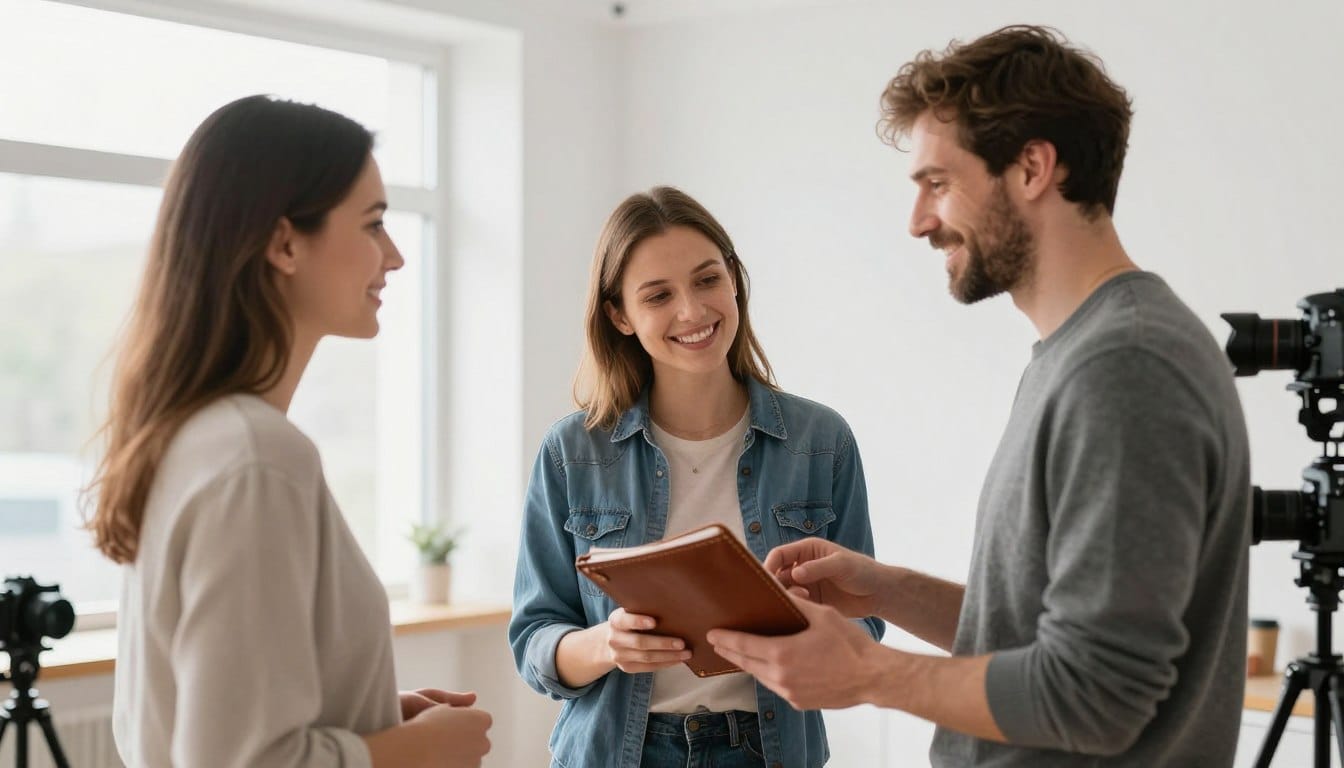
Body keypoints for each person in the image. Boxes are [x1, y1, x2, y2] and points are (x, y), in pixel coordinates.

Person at [707, 25, 1252, 767]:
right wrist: (888, 591)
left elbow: (1097, 693)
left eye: (938, 182)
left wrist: (868, 674)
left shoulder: (1124, 367)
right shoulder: (1085, 354)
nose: (919, 221)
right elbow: (1050, 639)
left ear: (1032, 167)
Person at [85, 95, 492, 768]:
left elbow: (206, 719)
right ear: (283, 243)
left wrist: (372, 723)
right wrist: (407, 755)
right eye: (373, 224)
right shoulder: (257, 457)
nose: (393, 257)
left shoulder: (197, 438)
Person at [509, 186, 884, 767]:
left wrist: (808, 629)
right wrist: (608, 644)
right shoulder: (573, 451)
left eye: (707, 279)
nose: (692, 311)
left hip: (772, 751)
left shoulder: (820, 442)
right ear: (620, 315)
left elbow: (867, 623)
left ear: (733, 279)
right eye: (658, 295)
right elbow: (534, 639)